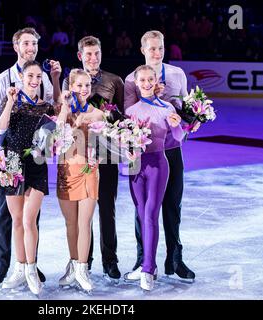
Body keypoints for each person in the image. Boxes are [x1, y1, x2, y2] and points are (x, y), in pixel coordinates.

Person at [0, 27, 61, 286]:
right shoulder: (3, 79)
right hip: (11, 152)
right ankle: (2, 264)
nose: (31, 48)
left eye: (34, 44)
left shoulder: (43, 77)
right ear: (16, 46)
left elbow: (52, 109)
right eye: (26, 43)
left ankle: (30, 265)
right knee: (5, 214)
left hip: (36, 152)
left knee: (32, 217)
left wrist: (56, 78)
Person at [124, 30, 197, 282]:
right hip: (143, 152)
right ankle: (143, 258)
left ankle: (174, 258)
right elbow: (128, 116)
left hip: (171, 150)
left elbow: (187, 108)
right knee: (142, 209)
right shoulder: (132, 79)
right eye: (152, 48)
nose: (157, 52)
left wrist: (191, 121)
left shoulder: (177, 74)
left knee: (172, 206)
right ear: (142, 50)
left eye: (161, 47)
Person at [62, 36, 124, 281]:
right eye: (88, 54)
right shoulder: (73, 82)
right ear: (80, 56)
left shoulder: (114, 81)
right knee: (79, 215)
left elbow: (121, 116)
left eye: (96, 53)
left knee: (107, 209)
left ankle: (110, 260)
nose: (93, 58)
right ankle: (82, 262)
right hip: (77, 157)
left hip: (106, 155)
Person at [0, 61, 55, 295]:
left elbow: (54, 135)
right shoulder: (12, 101)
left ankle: (31, 269)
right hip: (12, 162)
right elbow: (1, 128)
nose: (34, 80)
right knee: (17, 220)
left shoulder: (46, 107)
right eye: (30, 75)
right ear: (21, 77)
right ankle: (19, 268)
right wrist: (10, 100)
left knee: (30, 220)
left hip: (37, 164)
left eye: (38, 77)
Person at [125, 65, 183, 290]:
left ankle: (148, 269)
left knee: (150, 214)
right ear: (137, 83)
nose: (147, 83)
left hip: (158, 165)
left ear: (156, 80)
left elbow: (177, 137)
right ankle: (149, 264)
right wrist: (126, 150)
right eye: (143, 80)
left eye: (151, 79)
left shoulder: (167, 107)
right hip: (135, 166)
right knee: (141, 215)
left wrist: (178, 126)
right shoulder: (130, 111)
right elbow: (123, 143)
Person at [57, 69, 104, 292]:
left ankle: (83, 269)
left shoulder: (98, 114)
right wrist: (66, 107)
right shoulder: (63, 110)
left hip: (88, 171)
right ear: (71, 87)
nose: (84, 90)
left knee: (84, 222)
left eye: (87, 85)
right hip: (66, 171)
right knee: (70, 223)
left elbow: (106, 148)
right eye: (79, 86)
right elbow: (55, 136)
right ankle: (73, 264)